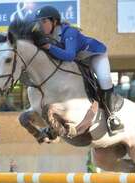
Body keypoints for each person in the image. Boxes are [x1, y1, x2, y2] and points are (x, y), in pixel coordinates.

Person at [34, 5, 123, 133]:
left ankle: (113, 117)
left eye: (44, 21)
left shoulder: (69, 32)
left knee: (104, 79)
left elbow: (70, 55)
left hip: (95, 55)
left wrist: (49, 47)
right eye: (39, 22)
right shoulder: (48, 36)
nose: (40, 25)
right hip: (79, 59)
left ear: (54, 21)